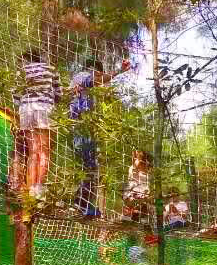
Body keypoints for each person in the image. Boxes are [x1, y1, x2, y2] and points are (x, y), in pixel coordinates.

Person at [69, 55, 131, 217]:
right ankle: (79, 203)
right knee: (87, 165)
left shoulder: (84, 85)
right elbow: (97, 81)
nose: (100, 77)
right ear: (93, 70)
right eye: (99, 73)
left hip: (84, 126)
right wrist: (120, 70)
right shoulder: (83, 76)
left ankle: (83, 203)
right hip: (81, 126)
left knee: (89, 165)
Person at [13, 48, 61, 198]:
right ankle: (39, 188)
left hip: (27, 110)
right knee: (44, 151)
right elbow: (59, 94)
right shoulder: (51, 69)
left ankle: (31, 188)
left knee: (33, 151)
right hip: (45, 109)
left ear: (27, 59)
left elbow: (16, 95)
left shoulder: (22, 71)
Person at [124, 149, 152, 223]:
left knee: (143, 201)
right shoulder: (132, 169)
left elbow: (147, 183)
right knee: (133, 200)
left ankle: (142, 216)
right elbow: (133, 175)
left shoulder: (147, 169)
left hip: (143, 192)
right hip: (133, 191)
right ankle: (133, 214)